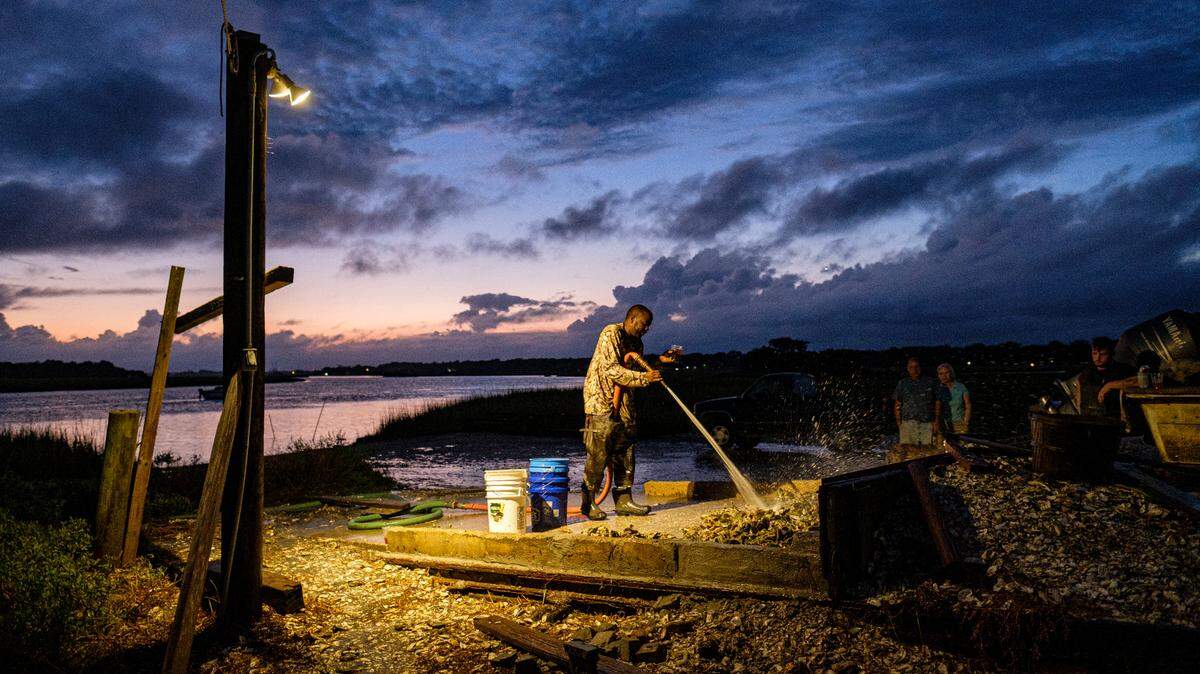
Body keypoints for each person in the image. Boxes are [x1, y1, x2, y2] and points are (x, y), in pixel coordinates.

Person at [580, 305, 678, 520]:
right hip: (601, 401)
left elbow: (635, 369)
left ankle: (624, 500)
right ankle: (588, 503)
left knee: (626, 449)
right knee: (599, 451)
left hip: (624, 403)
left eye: (648, 327)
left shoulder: (636, 343)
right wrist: (645, 379)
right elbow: (612, 370)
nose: (646, 329)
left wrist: (661, 363)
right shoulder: (611, 333)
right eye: (644, 325)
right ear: (632, 319)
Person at [1077, 336, 1136, 416]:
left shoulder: (1123, 370)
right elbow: (1080, 402)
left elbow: (1140, 381)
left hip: (1116, 419)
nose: (1098, 358)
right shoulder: (1085, 375)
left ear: (1111, 354)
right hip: (1091, 420)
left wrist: (1110, 385)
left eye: (1103, 354)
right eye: (1094, 353)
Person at [893, 357, 939, 446]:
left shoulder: (931, 382)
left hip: (927, 423)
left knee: (927, 450)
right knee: (908, 450)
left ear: (920, 367)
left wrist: (936, 421)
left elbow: (937, 402)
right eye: (911, 367)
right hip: (908, 423)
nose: (914, 370)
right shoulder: (903, 383)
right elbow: (897, 404)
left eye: (916, 367)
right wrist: (899, 423)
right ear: (908, 369)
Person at [935, 363, 971, 435]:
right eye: (941, 374)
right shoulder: (937, 388)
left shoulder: (960, 387)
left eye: (946, 373)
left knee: (960, 445)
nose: (943, 376)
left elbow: (968, 405)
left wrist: (966, 421)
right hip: (943, 424)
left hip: (959, 423)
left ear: (951, 373)